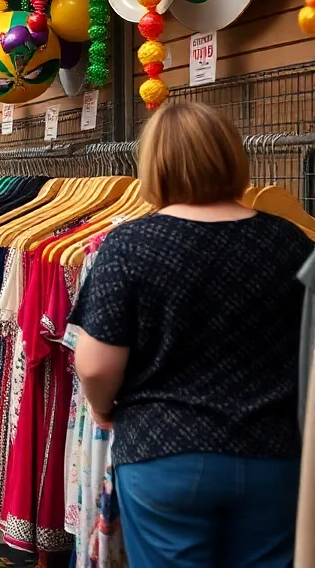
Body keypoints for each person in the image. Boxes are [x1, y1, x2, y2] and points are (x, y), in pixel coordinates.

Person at [72, 102, 314, 568]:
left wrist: (103, 410)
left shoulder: (130, 245)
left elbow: (96, 364)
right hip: (276, 453)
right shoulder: (290, 241)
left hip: (164, 452)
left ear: (153, 165)